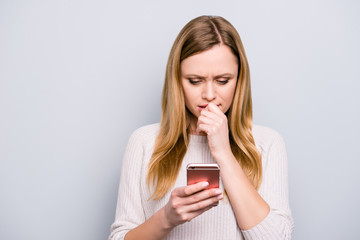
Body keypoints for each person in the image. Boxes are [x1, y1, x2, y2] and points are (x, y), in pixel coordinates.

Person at [108, 15, 294, 240]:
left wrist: (224, 153)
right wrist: (167, 218)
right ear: (177, 80)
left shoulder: (267, 143)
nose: (209, 95)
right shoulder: (144, 142)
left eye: (223, 80)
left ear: (239, 79)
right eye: (195, 81)